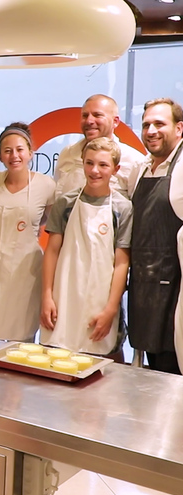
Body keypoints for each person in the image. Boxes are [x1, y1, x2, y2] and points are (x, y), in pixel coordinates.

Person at [40, 138, 132, 359]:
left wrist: (111, 309)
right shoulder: (66, 203)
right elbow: (51, 251)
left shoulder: (123, 208)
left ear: (115, 170)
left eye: (103, 165)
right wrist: (46, 295)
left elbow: (121, 262)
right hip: (64, 296)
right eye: (89, 163)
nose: (94, 170)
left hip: (100, 300)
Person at [0, 122, 55, 341]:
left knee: (21, 337)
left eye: (19, 150)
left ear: (30, 153)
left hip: (26, 270)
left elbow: (50, 221)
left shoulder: (46, 185)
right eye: (7, 151)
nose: (14, 156)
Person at [124, 98, 183, 374]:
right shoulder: (142, 168)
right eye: (146, 124)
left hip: (175, 293)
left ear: (179, 129)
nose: (151, 130)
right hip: (144, 290)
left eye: (159, 124)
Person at [54, 94, 145, 199]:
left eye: (97, 115)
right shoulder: (67, 153)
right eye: (85, 115)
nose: (89, 121)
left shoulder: (134, 161)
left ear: (115, 121)